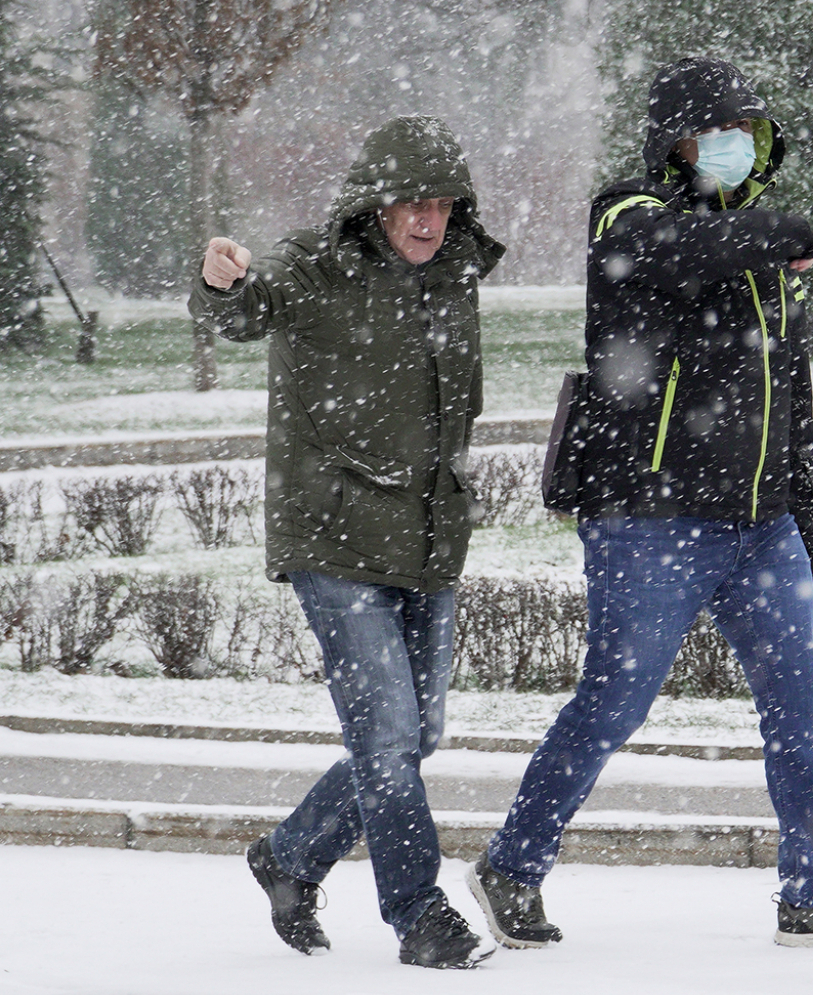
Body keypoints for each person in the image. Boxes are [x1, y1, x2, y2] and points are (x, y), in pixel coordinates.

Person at [468, 57, 813, 950]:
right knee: (615, 701)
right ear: (674, 142)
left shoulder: (761, 256)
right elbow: (672, 253)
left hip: (761, 525)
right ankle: (512, 865)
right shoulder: (629, 214)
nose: (736, 146)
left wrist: (805, 521)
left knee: (801, 704)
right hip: (651, 520)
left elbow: (793, 398)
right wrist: (775, 230)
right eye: (718, 131)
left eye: (748, 132)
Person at [189, 115, 504, 970]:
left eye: (442, 204)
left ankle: (290, 855)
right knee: (391, 738)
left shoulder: (452, 278)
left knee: (413, 734)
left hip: (429, 537)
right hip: (332, 534)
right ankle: (418, 911)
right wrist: (222, 283)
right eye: (411, 203)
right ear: (375, 205)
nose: (427, 220)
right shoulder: (317, 268)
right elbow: (249, 307)